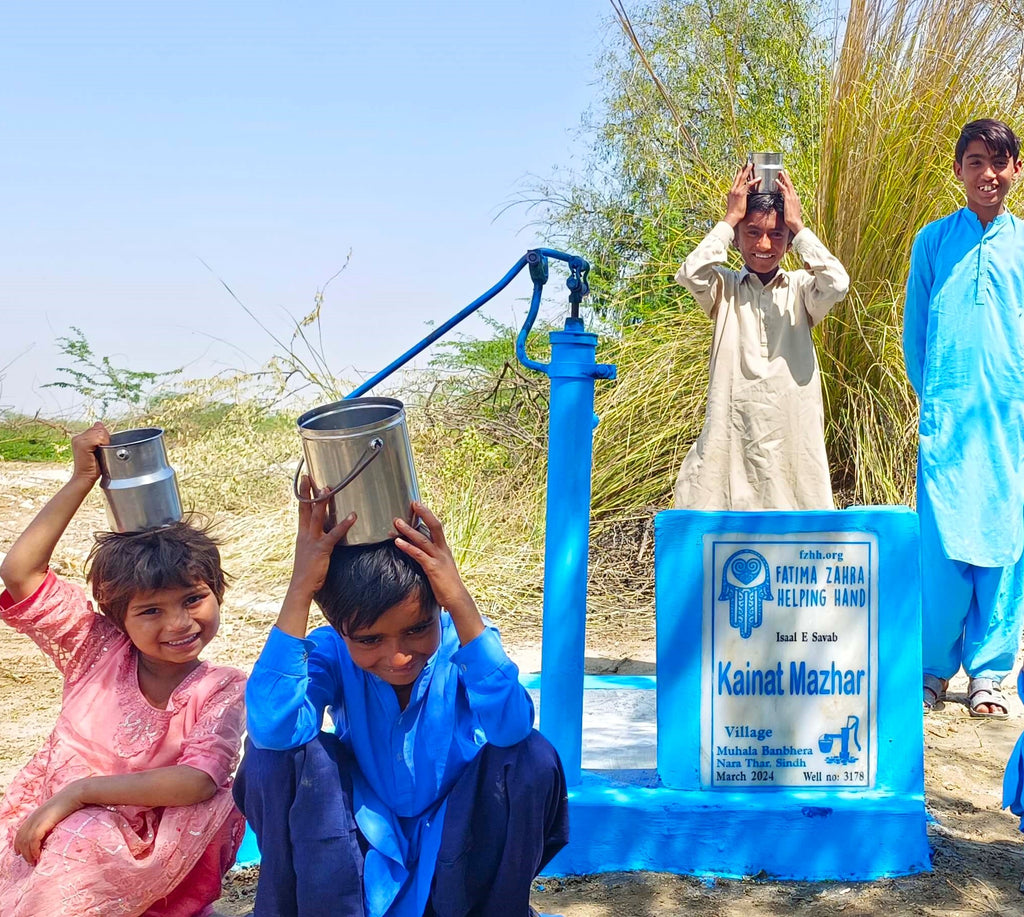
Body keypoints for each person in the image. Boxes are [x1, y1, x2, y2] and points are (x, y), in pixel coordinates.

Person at [234, 481, 568, 917]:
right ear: (339, 629)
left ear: (439, 610)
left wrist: (459, 601)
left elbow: (512, 727)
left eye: (417, 629)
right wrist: (301, 588)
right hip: (354, 841)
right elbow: (274, 729)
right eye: (370, 639)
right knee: (269, 759)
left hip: (456, 838)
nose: (398, 656)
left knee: (531, 757)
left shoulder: (461, 642)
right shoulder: (332, 652)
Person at [0, 422, 247, 916]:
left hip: (150, 856)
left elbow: (199, 779)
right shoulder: (96, 650)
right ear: (116, 616)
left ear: (217, 593)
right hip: (52, 829)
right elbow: (20, 572)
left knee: (83, 832)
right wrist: (80, 479)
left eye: (193, 599)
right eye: (150, 610)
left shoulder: (222, 686)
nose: (179, 624)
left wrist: (80, 794)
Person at [904, 118, 1024, 718]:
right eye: (976, 162)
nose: (988, 174)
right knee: (942, 548)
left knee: (1002, 546)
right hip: (948, 420)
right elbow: (915, 336)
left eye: (1000, 163)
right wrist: (937, 402)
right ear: (959, 170)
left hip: (1010, 422)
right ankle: (932, 670)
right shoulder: (932, 242)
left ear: (1017, 171)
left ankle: (990, 674)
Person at [674, 161, 850, 511]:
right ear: (737, 240)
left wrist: (799, 227)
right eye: (752, 233)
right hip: (734, 430)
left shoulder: (801, 288)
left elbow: (838, 283)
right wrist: (729, 219)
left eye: (777, 235)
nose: (764, 244)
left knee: (797, 532)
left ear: (788, 243)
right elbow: (690, 273)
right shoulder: (723, 287)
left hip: (791, 434)